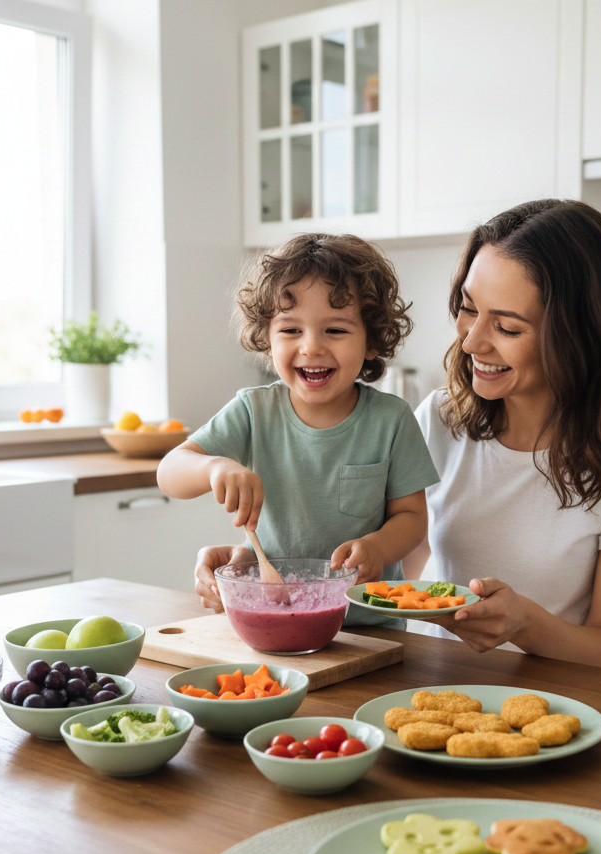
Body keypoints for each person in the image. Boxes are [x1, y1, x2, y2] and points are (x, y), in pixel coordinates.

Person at [403, 199, 601, 669]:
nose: (470, 342)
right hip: (436, 691)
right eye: (469, 308)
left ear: (578, 335)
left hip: (556, 713)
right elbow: (387, 575)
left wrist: (524, 624)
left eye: (507, 327)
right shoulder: (440, 419)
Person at [158, 233, 440, 627]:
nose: (311, 347)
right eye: (291, 331)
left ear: (372, 341)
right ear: (266, 337)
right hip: (275, 617)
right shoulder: (254, 410)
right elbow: (170, 471)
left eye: (336, 331)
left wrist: (377, 547)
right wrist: (214, 468)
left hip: (371, 627)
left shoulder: (392, 420)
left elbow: (412, 518)